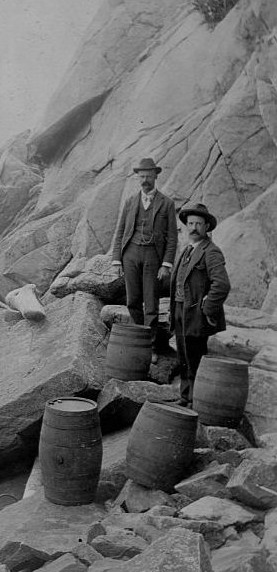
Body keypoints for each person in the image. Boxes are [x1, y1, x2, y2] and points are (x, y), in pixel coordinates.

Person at [110, 157, 178, 353]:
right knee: (132, 301)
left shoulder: (167, 203)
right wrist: (116, 260)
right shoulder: (130, 201)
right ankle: (137, 343)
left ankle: (152, 347)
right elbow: (120, 231)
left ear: (155, 176)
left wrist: (166, 265)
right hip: (130, 254)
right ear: (137, 177)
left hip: (153, 257)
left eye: (148, 176)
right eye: (141, 176)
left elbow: (172, 238)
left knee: (151, 304)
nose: (145, 180)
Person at [168, 203, 230, 407]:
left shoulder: (211, 251)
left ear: (206, 227)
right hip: (179, 310)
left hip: (196, 314)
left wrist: (207, 308)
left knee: (195, 357)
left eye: (199, 224)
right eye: (191, 223)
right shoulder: (187, 250)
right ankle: (185, 397)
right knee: (184, 356)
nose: (193, 227)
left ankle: (198, 401)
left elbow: (221, 285)